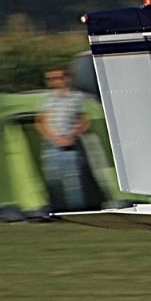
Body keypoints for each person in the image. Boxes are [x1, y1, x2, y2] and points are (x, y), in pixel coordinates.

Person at [37, 65, 91, 212]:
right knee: (52, 179)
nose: (54, 81)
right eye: (50, 79)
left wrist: (72, 136)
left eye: (57, 78)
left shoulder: (77, 98)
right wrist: (53, 137)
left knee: (74, 181)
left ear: (66, 78)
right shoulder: (47, 98)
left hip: (70, 145)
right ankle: (55, 210)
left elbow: (84, 121)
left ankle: (77, 211)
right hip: (52, 145)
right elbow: (41, 121)